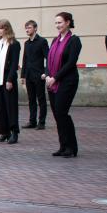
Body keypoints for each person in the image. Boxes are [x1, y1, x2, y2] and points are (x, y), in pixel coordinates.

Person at [44, 12, 82, 158]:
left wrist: (55, 77)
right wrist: (48, 75)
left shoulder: (74, 41)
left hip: (67, 81)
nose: (57, 25)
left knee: (62, 112)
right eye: (56, 23)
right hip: (53, 81)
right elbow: (48, 59)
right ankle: (63, 146)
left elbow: (70, 63)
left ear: (67, 22)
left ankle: (72, 147)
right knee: (57, 115)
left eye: (60, 22)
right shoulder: (55, 40)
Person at [0, 19, 21, 144]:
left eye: (0, 28)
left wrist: (9, 79)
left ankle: (14, 132)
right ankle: (4, 132)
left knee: (11, 106)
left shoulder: (14, 44)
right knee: (0, 106)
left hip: (8, 78)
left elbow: (14, 63)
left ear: (6, 28)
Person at [20, 20, 48, 130]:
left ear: (35, 28)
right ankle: (32, 121)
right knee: (31, 99)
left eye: (29, 27)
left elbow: (48, 58)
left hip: (39, 75)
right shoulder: (26, 43)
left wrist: (46, 73)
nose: (27, 30)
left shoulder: (42, 41)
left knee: (41, 99)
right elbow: (24, 60)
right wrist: (23, 76)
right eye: (26, 28)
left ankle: (41, 122)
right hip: (29, 75)